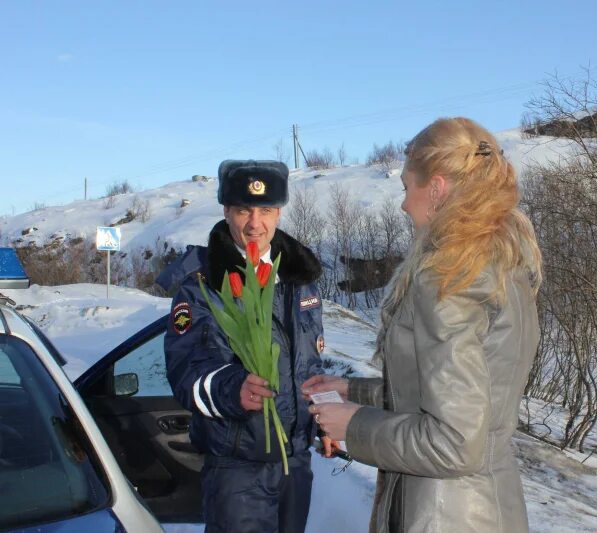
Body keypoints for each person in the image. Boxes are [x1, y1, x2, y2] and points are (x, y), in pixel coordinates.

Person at [303, 117, 543, 533]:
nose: (402, 205)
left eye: (406, 188)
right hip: (492, 505)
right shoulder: (506, 265)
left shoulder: (448, 279)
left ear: (435, 188)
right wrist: (353, 391)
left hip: (442, 513)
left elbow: (453, 443)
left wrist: (354, 424)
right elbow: (458, 398)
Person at [163, 160, 325, 533]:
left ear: (279, 211)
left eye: (266, 210)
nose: (255, 224)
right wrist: (231, 387)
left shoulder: (299, 277)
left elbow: (309, 363)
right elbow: (186, 370)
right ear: (226, 211)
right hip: (238, 469)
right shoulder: (201, 284)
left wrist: (321, 418)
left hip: (295, 463)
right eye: (243, 210)